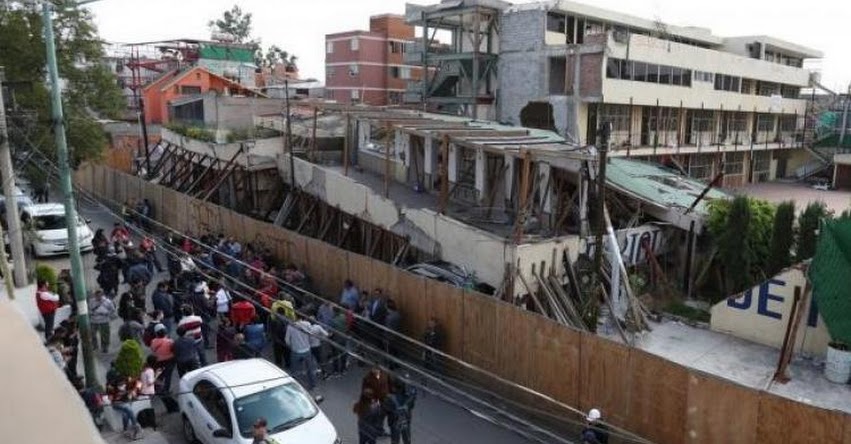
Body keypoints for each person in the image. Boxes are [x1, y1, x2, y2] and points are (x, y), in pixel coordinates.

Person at [285, 316, 318, 391]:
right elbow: (311, 335)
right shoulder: (307, 324)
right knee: (310, 368)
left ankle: (295, 387)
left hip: (296, 351)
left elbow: (287, 340)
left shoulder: (290, 326)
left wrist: (291, 346)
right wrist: (309, 343)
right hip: (307, 350)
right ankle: (313, 385)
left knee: (294, 370)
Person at [384, 378, 415, 444]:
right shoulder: (408, 397)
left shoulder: (390, 398)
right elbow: (412, 405)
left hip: (395, 423)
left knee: (395, 441)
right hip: (405, 422)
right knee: (407, 440)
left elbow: (386, 409)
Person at [150, 325, 176, 392]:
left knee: (159, 375)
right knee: (168, 376)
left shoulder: (153, 341)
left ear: (156, 333)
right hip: (170, 361)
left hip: (159, 361)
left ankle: (157, 388)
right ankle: (166, 390)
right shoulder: (170, 341)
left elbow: (152, 349)